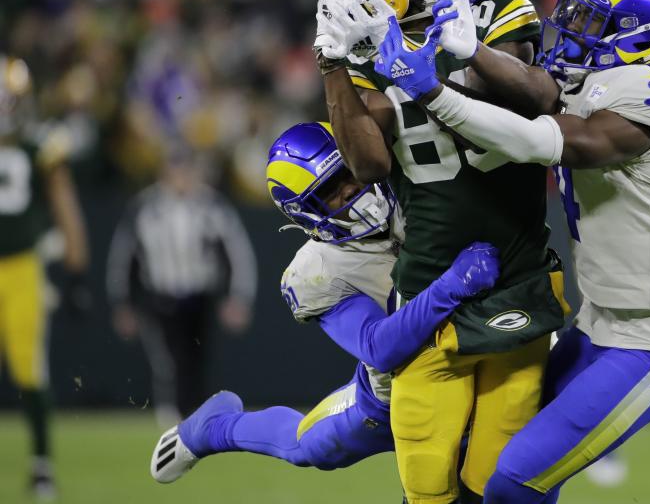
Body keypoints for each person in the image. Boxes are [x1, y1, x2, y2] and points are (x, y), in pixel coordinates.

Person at [374, 0, 650, 503]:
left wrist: (434, 92)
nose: (570, 30)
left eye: (589, 21)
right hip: (600, 325)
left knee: (513, 482)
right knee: (485, 472)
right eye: (573, 14)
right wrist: (471, 51)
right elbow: (538, 89)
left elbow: (545, 138)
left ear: (639, 31)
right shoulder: (595, 80)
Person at [314, 0, 566, 503]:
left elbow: (520, 101)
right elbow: (369, 164)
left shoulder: (496, 9)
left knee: (499, 487)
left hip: (519, 282)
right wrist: (331, 62)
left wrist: (436, 61)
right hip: (430, 291)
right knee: (428, 489)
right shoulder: (360, 44)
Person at [150, 122, 499, 484]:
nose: (350, 188)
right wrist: (452, 286)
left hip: (474, 360)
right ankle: (213, 429)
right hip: (393, 398)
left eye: (348, 170)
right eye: (331, 191)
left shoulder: (410, 184)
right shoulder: (317, 271)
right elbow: (379, 347)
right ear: (307, 212)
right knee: (308, 446)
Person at [106, 149, 256, 425]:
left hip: (199, 294)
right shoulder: (145, 206)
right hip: (160, 295)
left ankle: (195, 418)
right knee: (168, 360)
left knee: (197, 359)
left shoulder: (211, 205)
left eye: (187, 170)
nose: (182, 178)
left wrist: (239, 297)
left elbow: (237, 253)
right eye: (176, 170)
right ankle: (170, 416)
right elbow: (123, 257)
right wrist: (122, 302)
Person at [0, 54, 90, 499]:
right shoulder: (37, 145)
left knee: (29, 367)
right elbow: (67, 210)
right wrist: (76, 270)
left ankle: (40, 465)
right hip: (20, 265)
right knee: (30, 367)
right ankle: (41, 468)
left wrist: (75, 269)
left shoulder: (39, 147)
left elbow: (64, 206)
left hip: (20, 266)